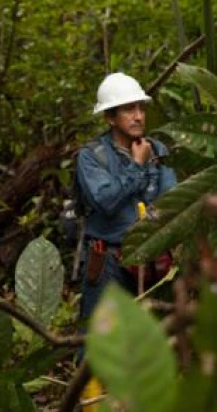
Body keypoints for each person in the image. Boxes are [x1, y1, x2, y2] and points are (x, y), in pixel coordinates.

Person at [76, 72, 177, 326]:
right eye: (129, 109)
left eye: (141, 108)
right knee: (100, 336)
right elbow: (106, 202)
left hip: (153, 260)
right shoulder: (91, 157)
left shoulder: (158, 150)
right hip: (109, 262)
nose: (138, 116)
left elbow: (172, 201)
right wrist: (137, 165)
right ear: (110, 117)